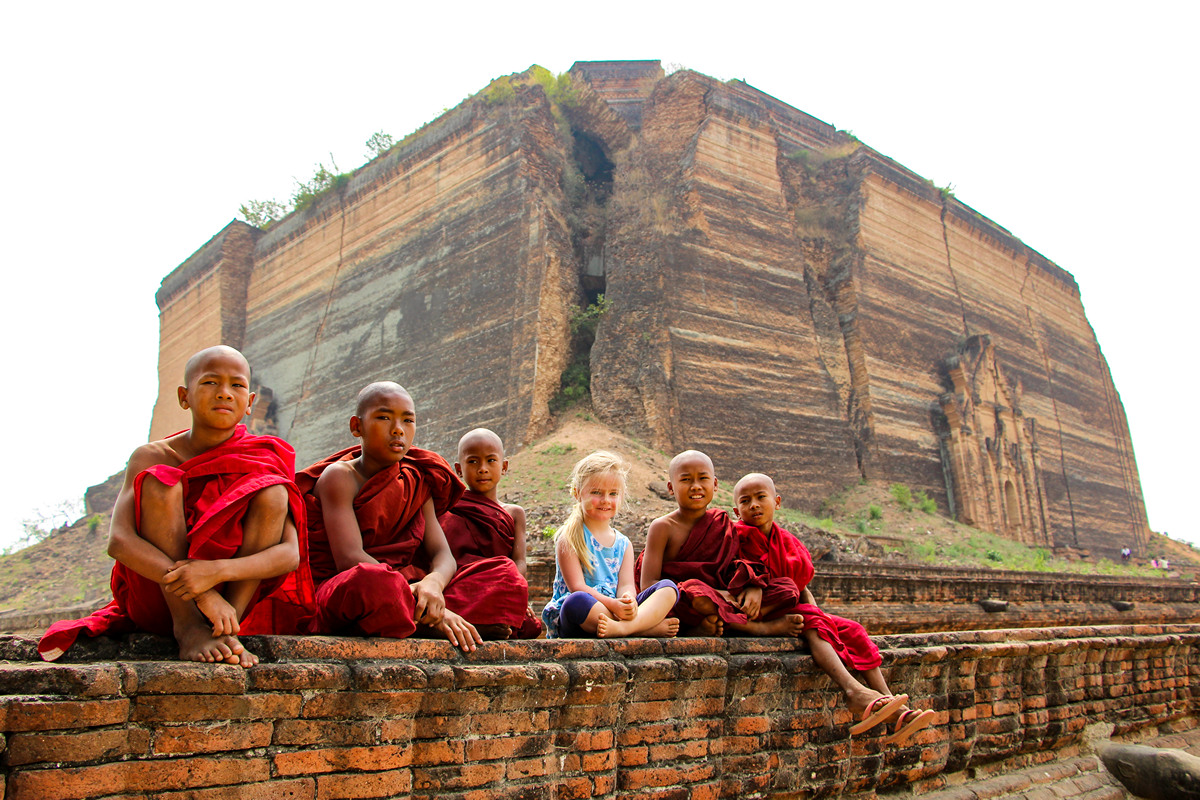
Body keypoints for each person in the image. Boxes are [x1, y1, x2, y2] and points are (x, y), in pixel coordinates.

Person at [38, 345, 313, 667]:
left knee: (273, 491)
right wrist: (201, 594)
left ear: (250, 402)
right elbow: (120, 542)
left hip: (228, 600)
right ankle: (189, 628)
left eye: (236, 385)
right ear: (185, 396)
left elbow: (288, 555)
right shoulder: (151, 456)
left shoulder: (265, 457)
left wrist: (214, 573)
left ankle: (225, 630)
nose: (224, 393)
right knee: (160, 481)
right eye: (210, 383)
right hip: (162, 596)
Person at [298, 382, 519, 652]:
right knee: (370, 582)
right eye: (383, 417)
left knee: (504, 574)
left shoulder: (417, 478)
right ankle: (432, 621)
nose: (398, 429)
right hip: (357, 586)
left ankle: (417, 618)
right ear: (357, 426)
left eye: (408, 420)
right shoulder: (340, 477)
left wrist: (433, 584)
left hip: (412, 586)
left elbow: (443, 555)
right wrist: (419, 597)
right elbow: (349, 557)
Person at [732, 472, 935, 746]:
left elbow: (802, 586)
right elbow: (735, 578)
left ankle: (891, 703)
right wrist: (756, 585)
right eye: (746, 501)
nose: (754, 505)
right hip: (761, 614)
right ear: (736, 510)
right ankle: (853, 690)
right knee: (815, 622)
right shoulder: (737, 537)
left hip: (795, 608)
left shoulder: (789, 542)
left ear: (777, 502)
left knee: (852, 629)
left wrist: (822, 616)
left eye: (760, 497)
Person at [637, 450, 802, 636]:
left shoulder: (722, 524)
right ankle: (754, 627)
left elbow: (736, 566)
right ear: (670, 487)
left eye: (703, 478)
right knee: (695, 592)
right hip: (684, 600)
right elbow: (648, 585)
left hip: (723, 599)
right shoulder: (662, 527)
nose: (696, 486)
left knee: (788, 589)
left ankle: (736, 618)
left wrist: (753, 586)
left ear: (715, 484)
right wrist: (715, 593)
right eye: (685, 480)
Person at [541, 451, 680, 639]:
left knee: (668, 588)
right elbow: (577, 586)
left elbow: (626, 585)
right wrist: (612, 605)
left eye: (613, 494)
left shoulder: (623, 543)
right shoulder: (570, 537)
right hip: (585, 615)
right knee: (576, 602)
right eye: (597, 492)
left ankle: (624, 629)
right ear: (577, 493)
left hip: (614, 612)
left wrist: (627, 601)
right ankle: (642, 628)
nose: (606, 500)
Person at [439, 428, 543, 638]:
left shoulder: (514, 513)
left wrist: (516, 591)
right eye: (473, 461)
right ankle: (477, 623)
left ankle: (477, 622)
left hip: (497, 584)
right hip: (461, 585)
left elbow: (519, 562)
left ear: (504, 467)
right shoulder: (449, 507)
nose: (483, 469)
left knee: (530, 624)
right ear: (459, 469)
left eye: (491, 461)